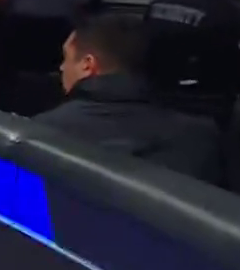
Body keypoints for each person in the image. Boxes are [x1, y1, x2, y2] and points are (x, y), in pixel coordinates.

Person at [36, 14, 222, 183]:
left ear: (87, 65)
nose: (61, 67)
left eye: (66, 58)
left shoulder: (42, 132)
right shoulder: (201, 136)